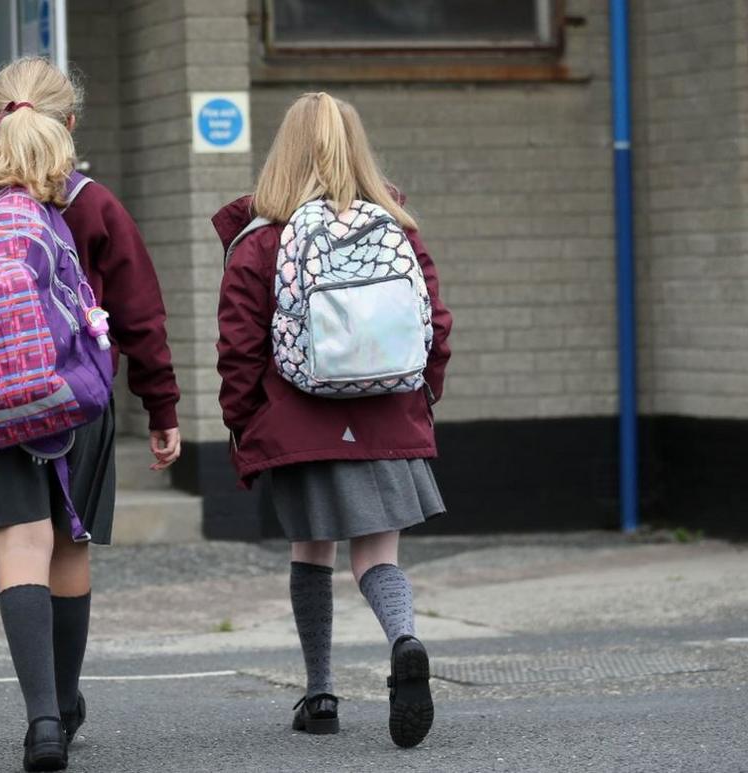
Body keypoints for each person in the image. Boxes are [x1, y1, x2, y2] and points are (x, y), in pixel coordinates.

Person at [0, 57, 181, 771]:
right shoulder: (90, 203)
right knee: (69, 545)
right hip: (73, 402)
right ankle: (63, 699)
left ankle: (41, 722)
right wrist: (161, 405)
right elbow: (141, 313)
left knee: (18, 549)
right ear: (72, 124)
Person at [213, 92, 453, 749]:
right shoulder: (395, 225)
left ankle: (320, 693)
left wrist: (245, 422)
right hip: (389, 414)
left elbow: (239, 345)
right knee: (377, 554)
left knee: (309, 548)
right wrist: (422, 397)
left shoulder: (260, 240)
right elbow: (435, 323)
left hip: (300, 418)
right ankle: (403, 638)